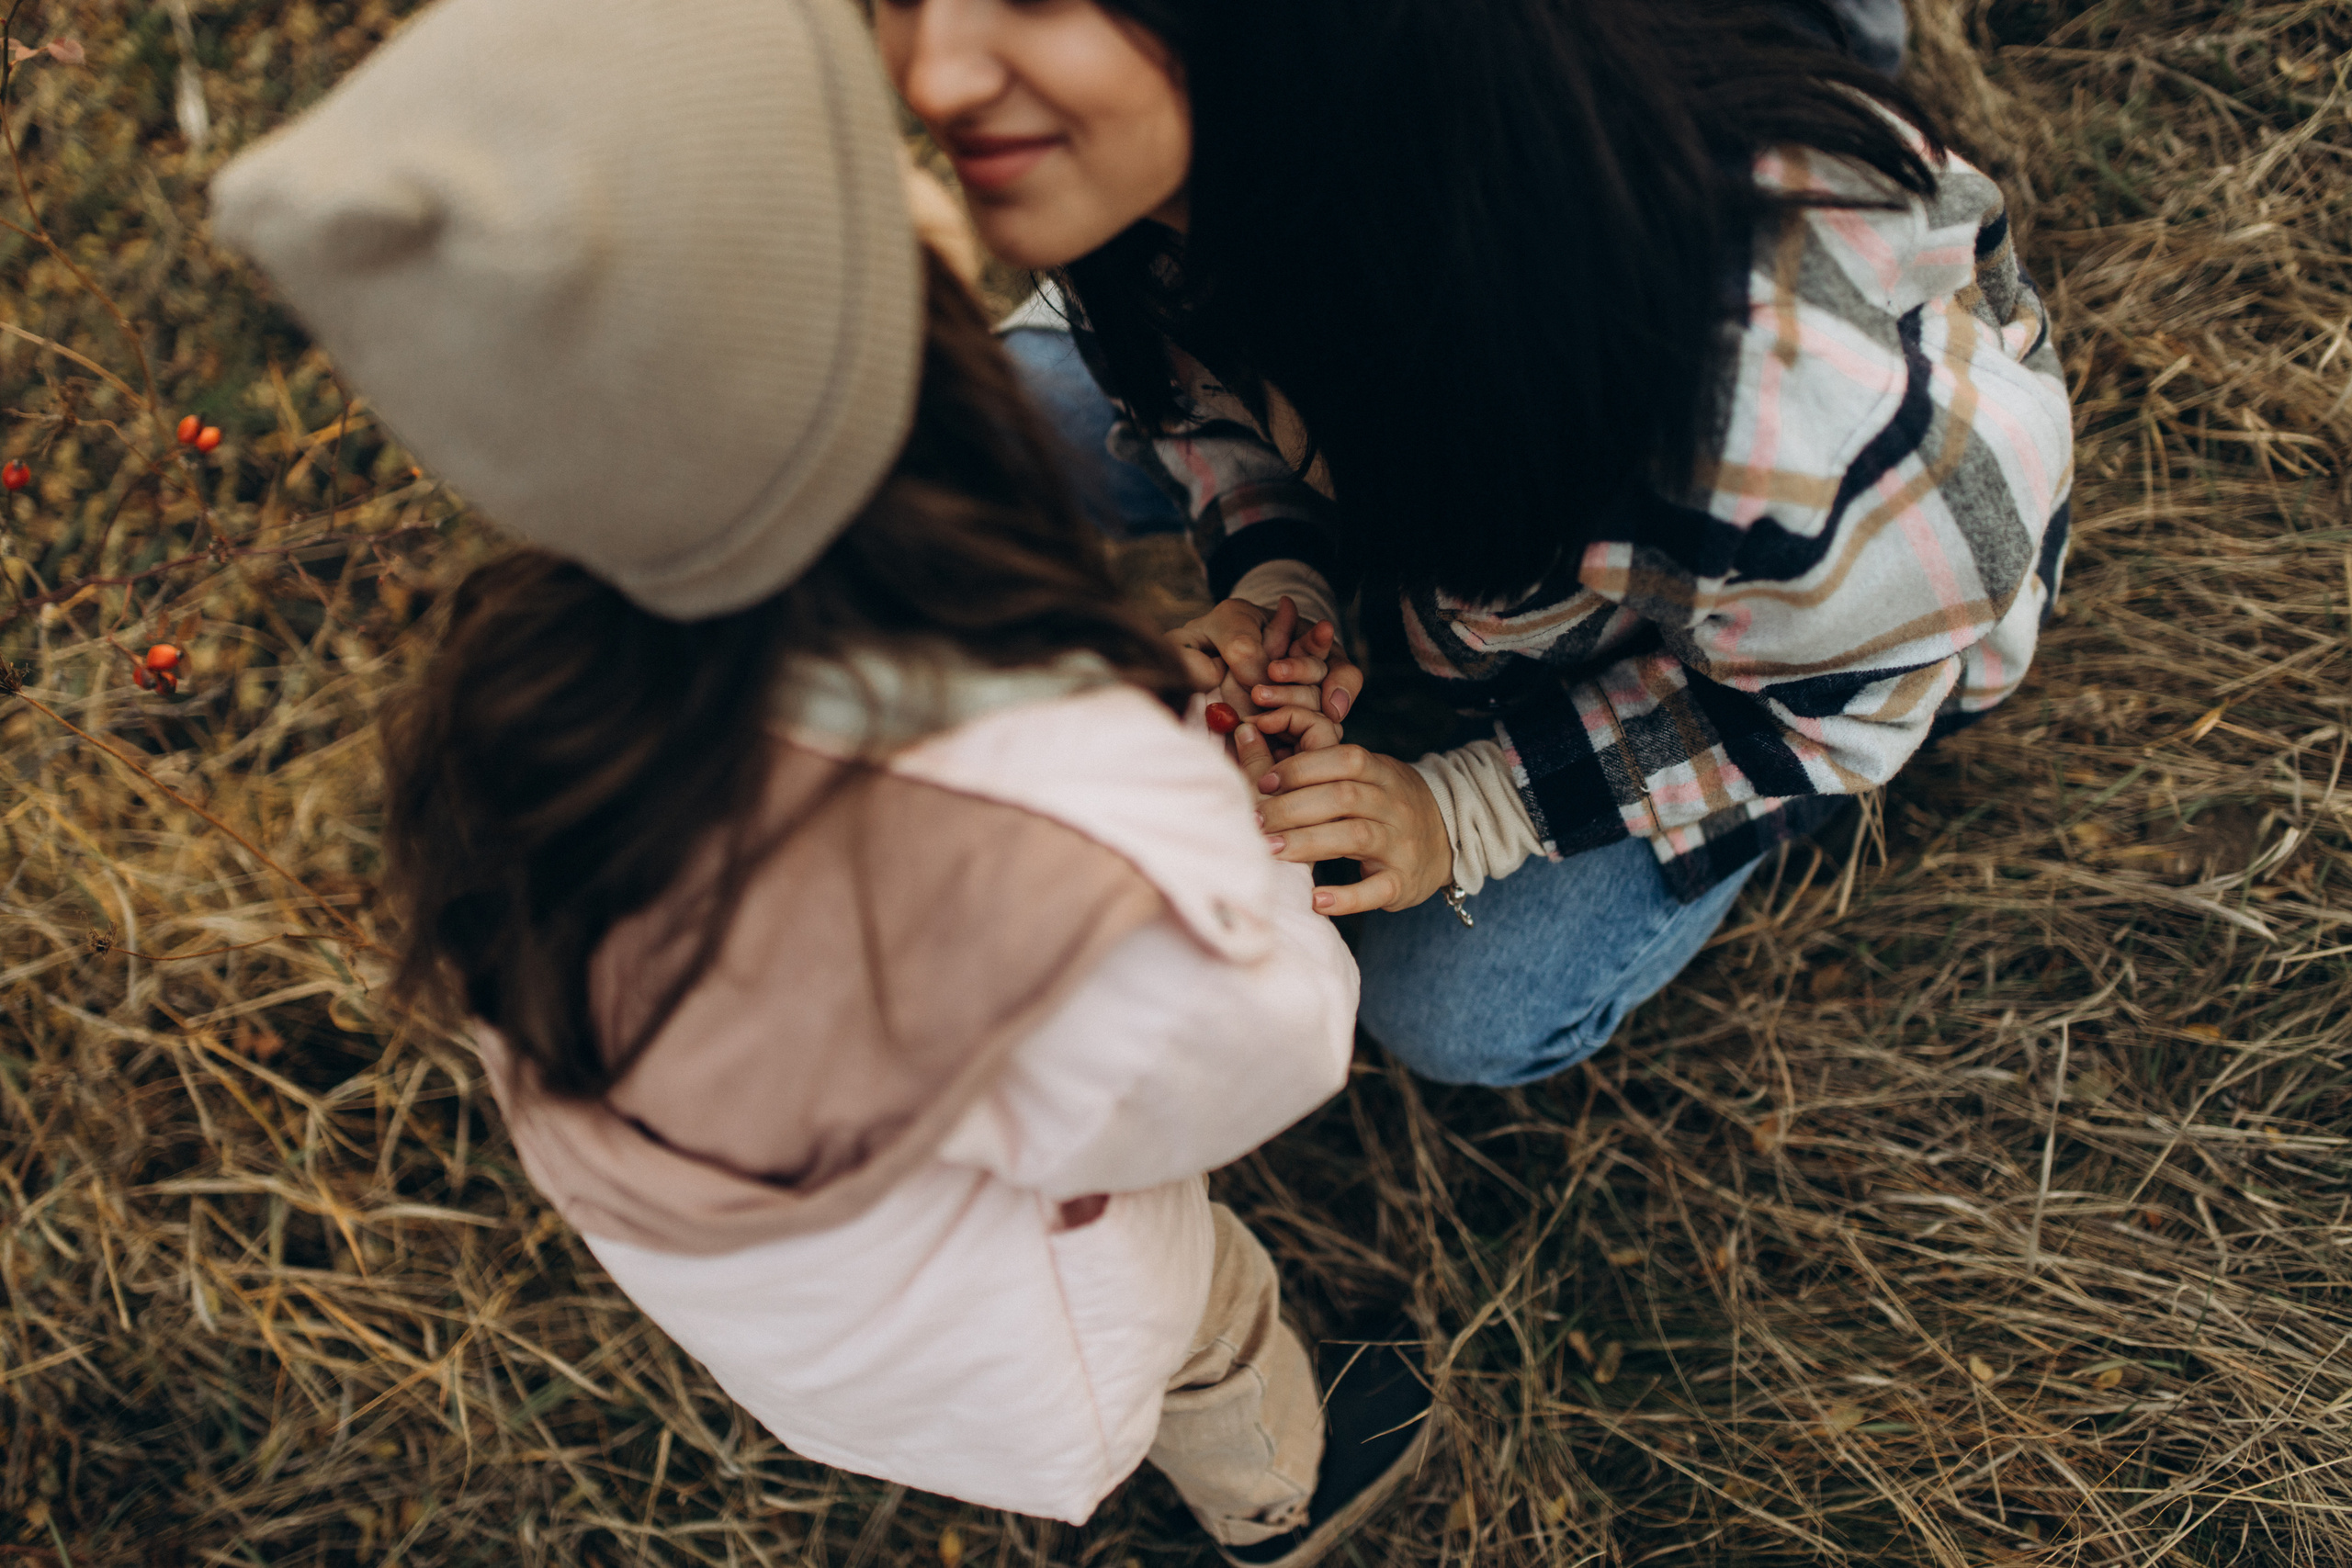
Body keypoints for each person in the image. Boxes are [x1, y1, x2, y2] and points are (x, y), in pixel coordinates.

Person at [209, 1, 1435, 1562]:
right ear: (842, 334)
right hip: (1022, 1308)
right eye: (857, 167)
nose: (930, 153)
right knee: (1212, 1325)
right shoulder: (1044, 837)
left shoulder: (524, 688)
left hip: (808, 1307)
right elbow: (1261, 1051)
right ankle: (1280, 1499)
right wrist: (1231, 828)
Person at [876, 0, 2075, 1088]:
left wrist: (1466, 810)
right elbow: (1198, 403)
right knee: (999, 399)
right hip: (1466, 499)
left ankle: (1751, 818)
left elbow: (1859, 674)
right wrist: (1280, 580)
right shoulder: (1158, 191)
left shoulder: (1752, 393)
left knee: (1454, 1012)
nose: (929, 74)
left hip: (1806, 658)